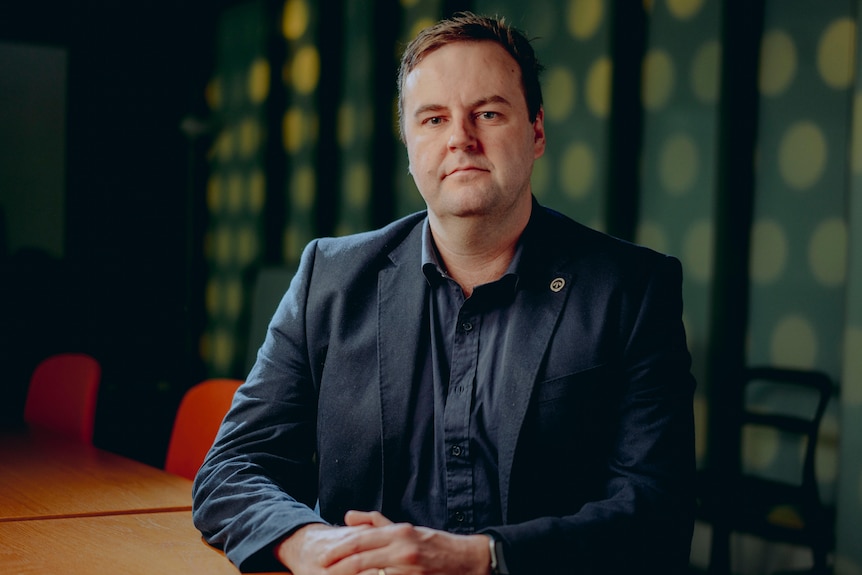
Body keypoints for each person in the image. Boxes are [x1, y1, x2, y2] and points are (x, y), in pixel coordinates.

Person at [193, 11, 696, 575]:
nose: (460, 137)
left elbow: (659, 513)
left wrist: (479, 557)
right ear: (409, 146)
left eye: (488, 112)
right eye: (433, 119)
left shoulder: (631, 290)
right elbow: (233, 467)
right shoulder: (328, 280)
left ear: (536, 131)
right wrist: (310, 544)